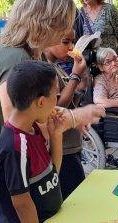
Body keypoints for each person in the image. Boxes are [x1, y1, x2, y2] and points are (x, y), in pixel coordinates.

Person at [0, 0, 76, 222]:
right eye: (64, 23)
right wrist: (75, 117)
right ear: (49, 23)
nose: (67, 30)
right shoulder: (15, 57)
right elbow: (16, 124)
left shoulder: (29, 52)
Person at [0, 61, 104, 223]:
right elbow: (22, 204)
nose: (57, 100)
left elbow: (52, 174)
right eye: (55, 94)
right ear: (40, 102)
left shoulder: (33, 129)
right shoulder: (17, 145)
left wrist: (56, 134)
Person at [43, 30, 89, 200]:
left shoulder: (57, 67)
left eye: (72, 42)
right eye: (65, 42)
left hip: (71, 143)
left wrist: (81, 74)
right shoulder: (47, 69)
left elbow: (75, 93)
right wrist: (75, 75)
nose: (71, 47)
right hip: (63, 146)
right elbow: (58, 106)